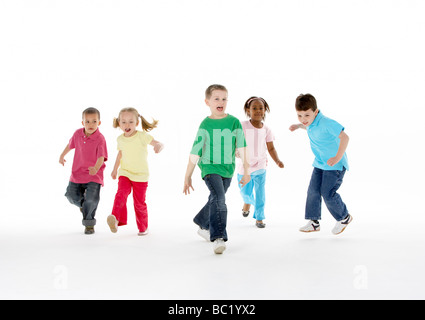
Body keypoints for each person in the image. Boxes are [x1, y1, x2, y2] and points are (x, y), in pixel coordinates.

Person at [183, 84, 250, 254]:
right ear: (208, 102)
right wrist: (187, 176)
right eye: (216, 98)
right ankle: (218, 237)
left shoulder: (234, 122)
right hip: (209, 167)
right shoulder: (205, 124)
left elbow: (242, 147)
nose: (221, 102)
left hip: (227, 169)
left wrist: (247, 170)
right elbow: (195, 150)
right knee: (219, 198)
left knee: (216, 197)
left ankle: (202, 221)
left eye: (224, 98)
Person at [289, 93, 352, 235]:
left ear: (315, 112)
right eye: (299, 115)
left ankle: (344, 217)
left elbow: (345, 137)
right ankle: (314, 222)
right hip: (320, 163)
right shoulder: (311, 123)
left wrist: (337, 157)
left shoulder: (326, 122)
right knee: (313, 191)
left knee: (327, 193)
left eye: (306, 115)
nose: (303, 119)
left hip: (334, 165)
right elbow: (309, 127)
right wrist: (299, 126)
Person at [107, 107, 164, 236]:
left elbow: (157, 143)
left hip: (140, 175)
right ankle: (115, 218)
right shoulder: (120, 139)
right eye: (124, 122)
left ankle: (143, 227)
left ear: (137, 123)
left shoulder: (142, 136)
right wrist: (115, 169)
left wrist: (159, 146)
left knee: (139, 203)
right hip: (125, 172)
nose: (127, 125)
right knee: (121, 193)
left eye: (131, 122)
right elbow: (120, 154)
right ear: (119, 123)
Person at [237, 96, 284, 228]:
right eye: (254, 108)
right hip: (244, 166)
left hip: (260, 165)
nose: (258, 111)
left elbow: (271, 148)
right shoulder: (242, 125)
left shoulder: (266, 130)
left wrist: (277, 161)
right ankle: (247, 202)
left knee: (260, 193)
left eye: (261, 108)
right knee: (245, 193)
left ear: (265, 110)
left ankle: (259, 217)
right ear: (248, 110)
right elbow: (234, 140)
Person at [59, 107, 108, 234]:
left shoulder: (100, 139)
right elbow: (70, 145)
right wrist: (62, 155)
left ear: (99, 123)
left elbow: (101, 157)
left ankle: (89, 224)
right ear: (82, 123)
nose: (90, 124)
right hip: (77, 174)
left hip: (94, 175)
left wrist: (96, 168)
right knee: (70, 195)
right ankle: (85, 207)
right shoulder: (77, 134)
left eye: (94, 121)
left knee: (92, 199)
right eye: (87, 121)